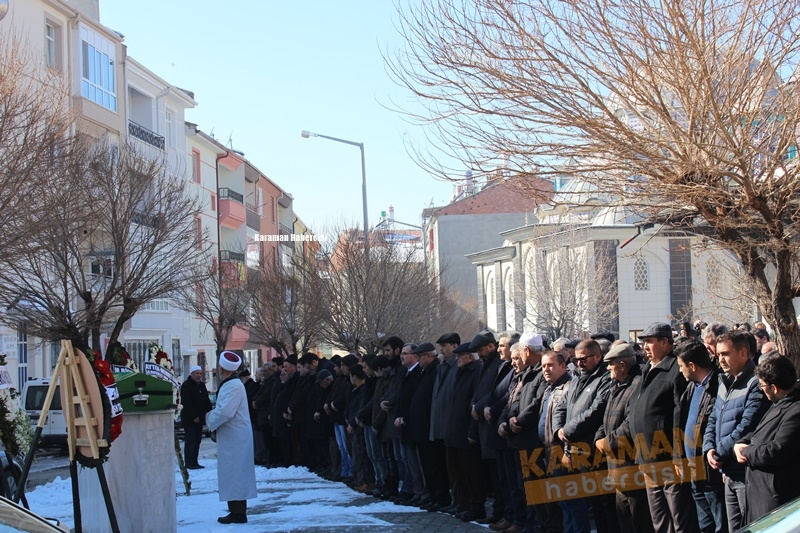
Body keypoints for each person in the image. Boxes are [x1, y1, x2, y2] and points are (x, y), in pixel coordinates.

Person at [625, 322, 699, 533]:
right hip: (646, 456)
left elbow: (679, 415)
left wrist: (677, 456)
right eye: (644, 342)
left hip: (667, 457)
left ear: (665, 342)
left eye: (650, 341)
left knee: (678, 518)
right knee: (659, 519)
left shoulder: (676, 369)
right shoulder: (646, 370)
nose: (645, 347)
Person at [702, 331, 769, 533]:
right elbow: (713, 418)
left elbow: (748, 425)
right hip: (727, 472)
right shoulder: (725, 382)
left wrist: (720, 452)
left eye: (726, 354)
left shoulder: (755, 383)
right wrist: (709, 448)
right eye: (719, 354)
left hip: (744, 471)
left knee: (750, 527)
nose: (720, 359)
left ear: (743, 353)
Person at [733, 355, 800, 524]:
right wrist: (742, 443)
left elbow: (777, 450)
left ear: (775, 388)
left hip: (775, 497)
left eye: (763, 385)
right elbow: (760, 433)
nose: (762, 390)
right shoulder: (780, 403)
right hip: (760, 495)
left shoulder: (795, 410)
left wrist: (746, 451)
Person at [207, 351, 257, 524]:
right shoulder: (233, 384)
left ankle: (238, 512)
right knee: (232, 473)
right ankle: (235, 510)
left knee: (235, 474)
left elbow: (225, 411)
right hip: (233, 436)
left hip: (235, 437)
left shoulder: (233, 386)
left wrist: (209, 420)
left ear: (221, 368)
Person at [180, 365, 212, 469]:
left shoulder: (202, 386)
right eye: (196, 373)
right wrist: (194, 416)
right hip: (190, 420)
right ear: (192, 374)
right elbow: (187, 403)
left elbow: (206, 400)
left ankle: (195, 461)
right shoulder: (186, 386)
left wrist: (209, 412)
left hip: (200, 419)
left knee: (197, 441)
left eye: (200, 373)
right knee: (191, 441)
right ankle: (189, 462)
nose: (199, 376)